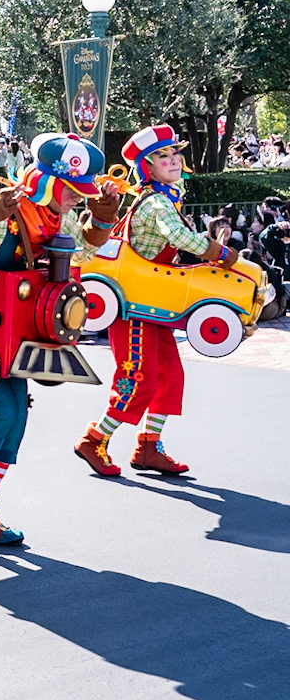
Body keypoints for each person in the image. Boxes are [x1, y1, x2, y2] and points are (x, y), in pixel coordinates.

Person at [0, 134, 119, 545]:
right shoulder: (1, 217)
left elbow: (81, 253)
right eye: (72, 193)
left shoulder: (54, 218)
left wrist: (101, 217)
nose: (75, 201)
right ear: (46, 185)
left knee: (16, 423)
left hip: (10, 335)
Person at [74, 124, 239, 480]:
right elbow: (178, 236)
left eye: (175, 153)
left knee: (169, 375)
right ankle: (94, 438)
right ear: (147, 167)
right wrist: (219, 252)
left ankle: (148, 444)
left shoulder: (164, 198)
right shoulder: (157, 202)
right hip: (136, 306)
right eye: (162, 156)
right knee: (139, 377)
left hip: (155, 303)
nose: (173, 160)